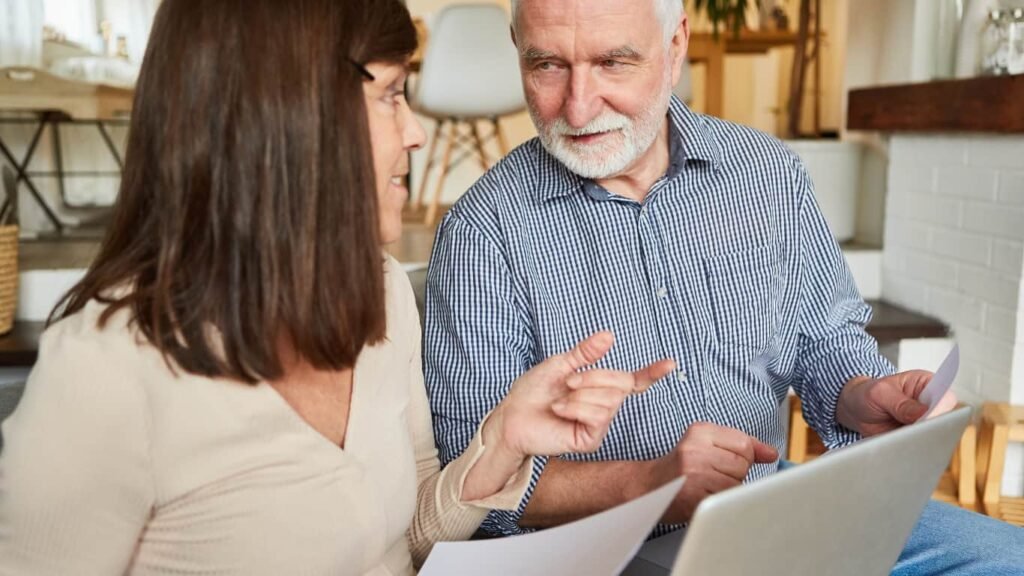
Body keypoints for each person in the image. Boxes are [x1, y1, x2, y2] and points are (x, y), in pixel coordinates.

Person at [0, 1, 675, 574]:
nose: (415, 133)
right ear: (289, 115)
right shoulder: (107, 370)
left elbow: (401, 535)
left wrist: (502, 440)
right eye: (389, 95)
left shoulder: (377, 291)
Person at [423, 0, 1024, 572]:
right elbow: (474, 483)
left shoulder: (766, 173)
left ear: (676, 43)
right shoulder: (482, 233)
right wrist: (650, 484)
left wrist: (862, 393)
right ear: (518, 50)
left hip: (772, 506)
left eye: (613, 62)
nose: (578, 109)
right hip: (601, 548)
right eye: (547, 65)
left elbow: (822, 339)